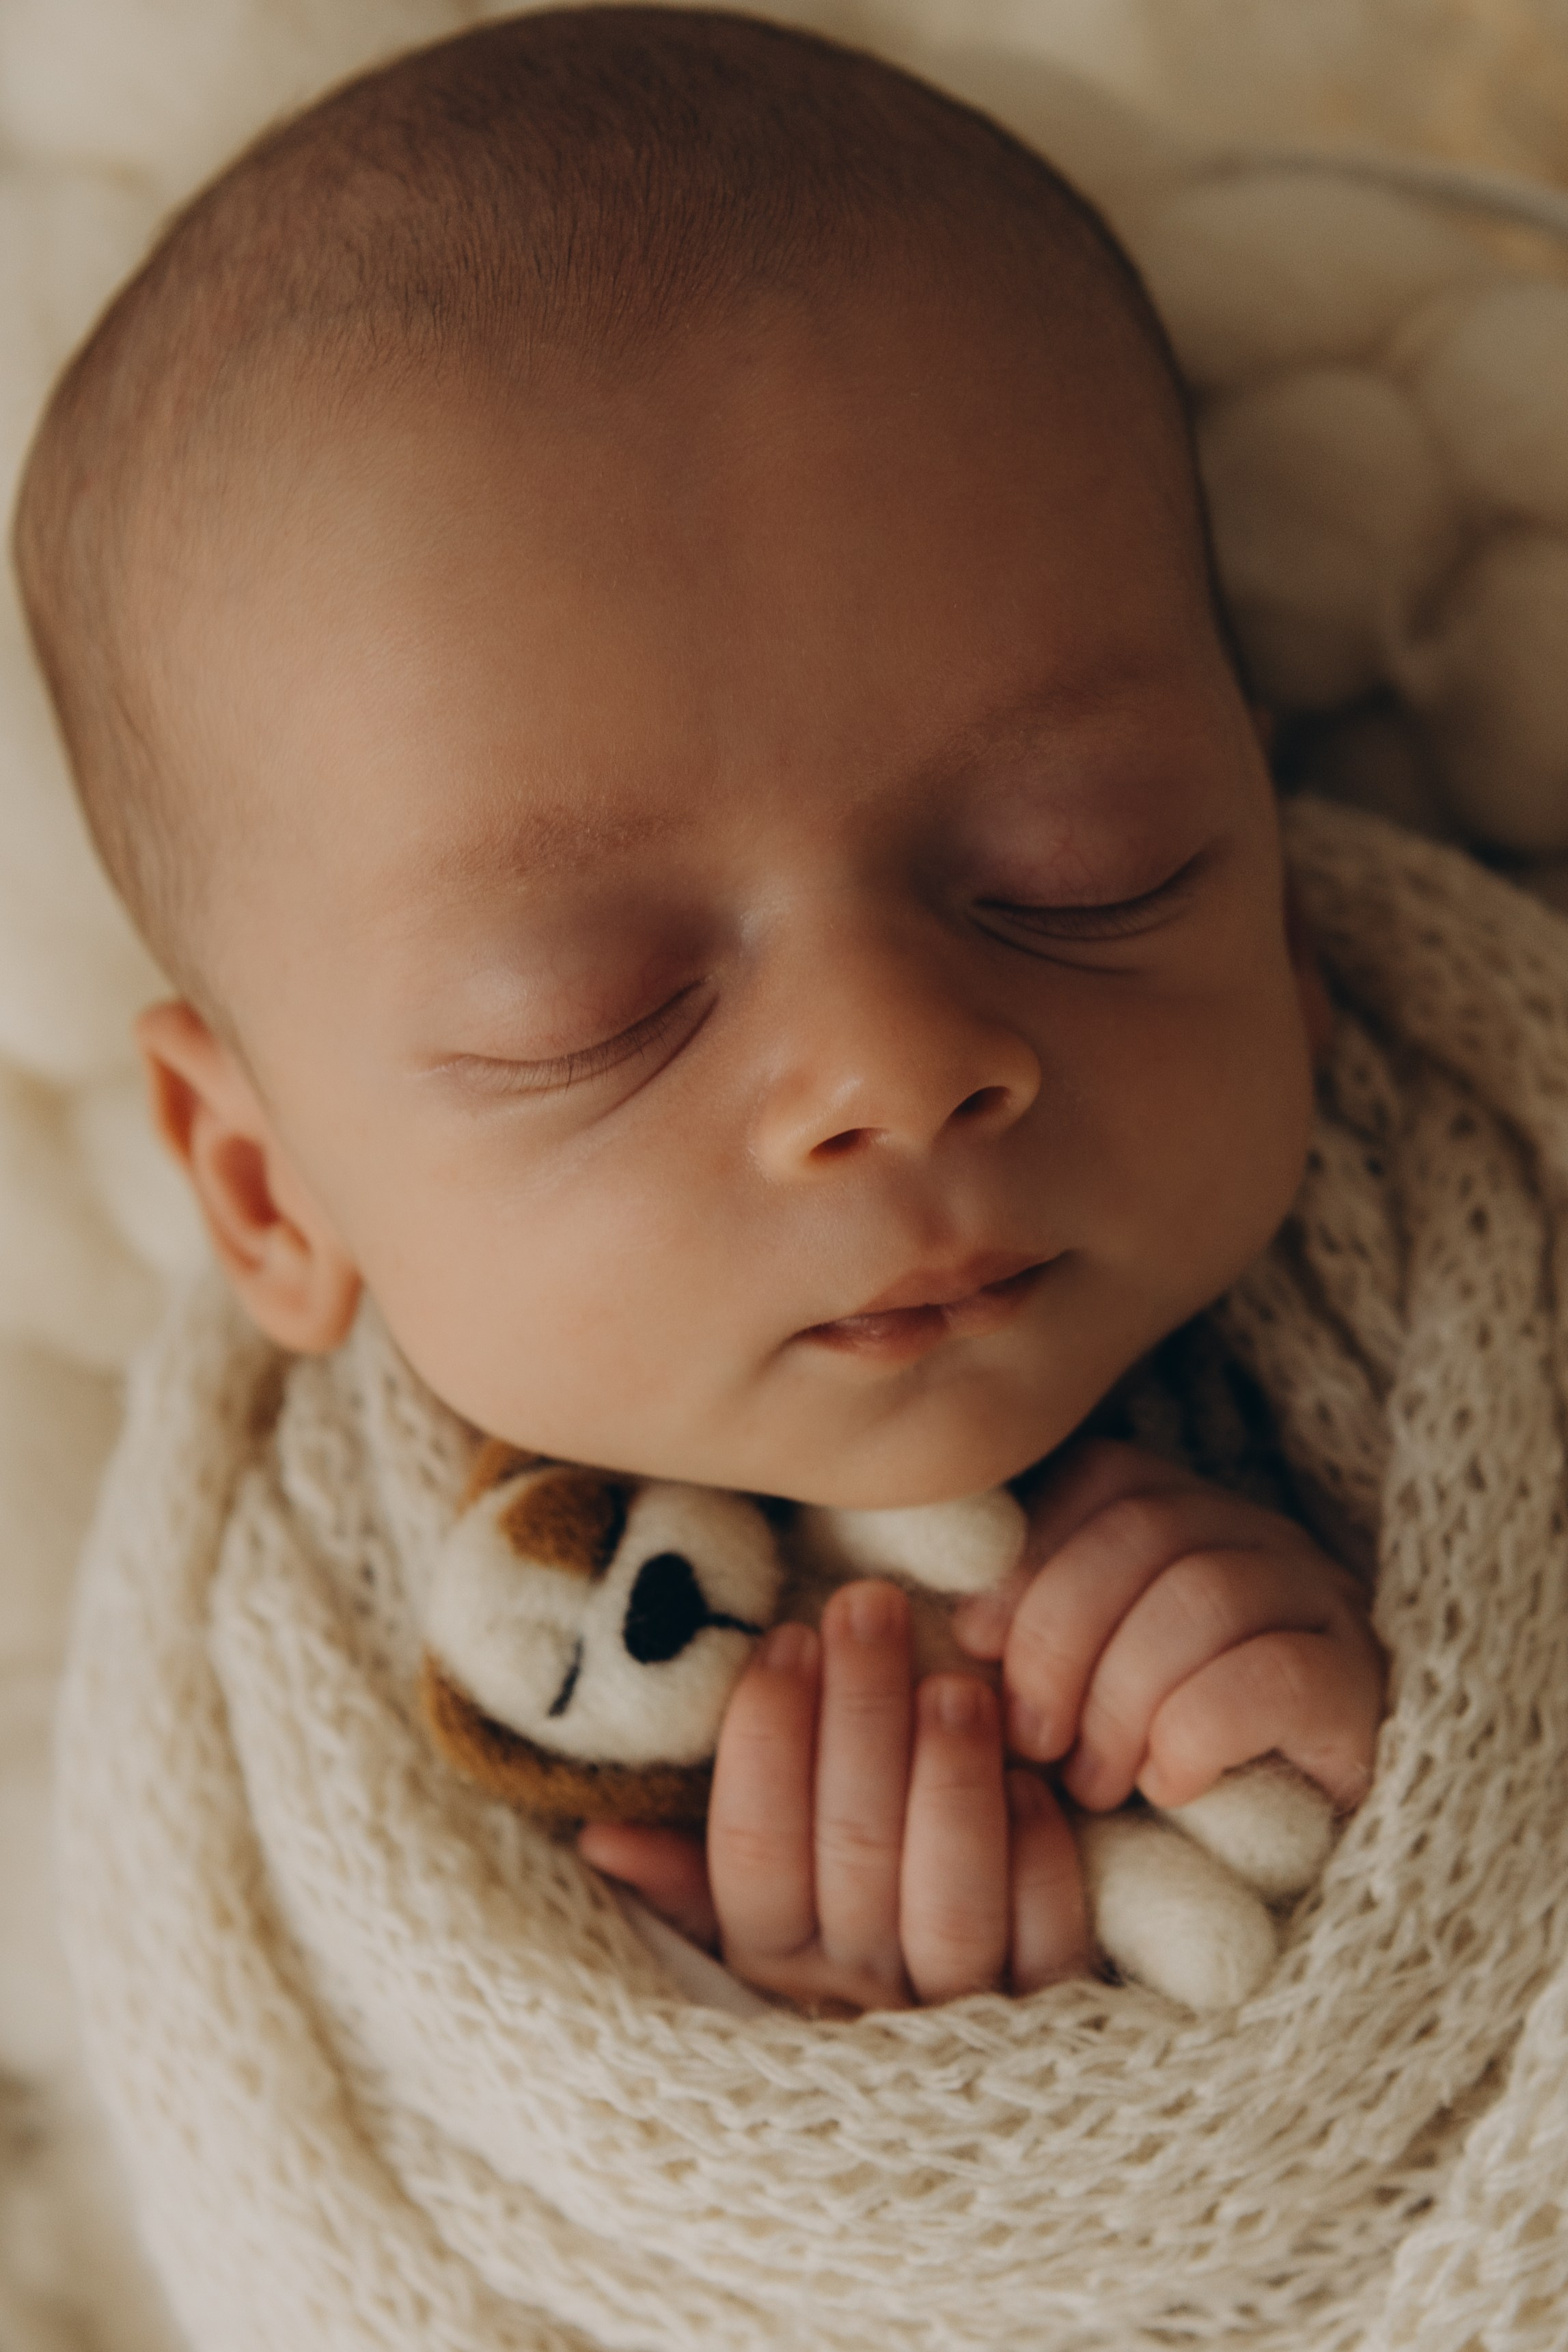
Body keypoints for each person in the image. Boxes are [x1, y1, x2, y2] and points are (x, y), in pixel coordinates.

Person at [12, 4, 1383, 2019]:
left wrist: (1403, 1771)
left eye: (1085, 871)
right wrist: (857, 2090)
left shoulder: (1466, 1270)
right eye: (600, 1014)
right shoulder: (311, 1775)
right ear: (265, 1187)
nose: (898, 1063)